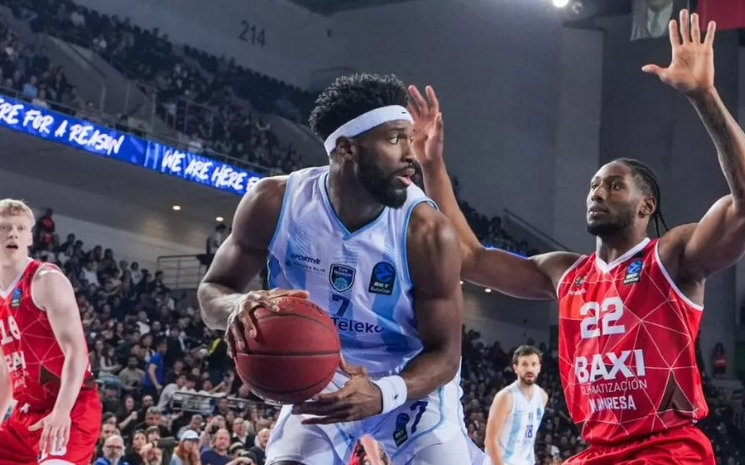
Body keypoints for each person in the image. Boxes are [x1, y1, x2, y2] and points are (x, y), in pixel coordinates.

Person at [415, 10, 743, 465]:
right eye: (593, 186)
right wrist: (431, 166)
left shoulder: (672, 258)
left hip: (666, 449)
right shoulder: (565, 272)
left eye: (614, 185)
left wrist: (704, 96)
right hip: (597, 452)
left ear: (646, 206)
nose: (597, 193)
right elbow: (468, 258)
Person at [198, 73, 471, 465]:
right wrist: (236, 306)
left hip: (407, 379)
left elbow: (446, 353)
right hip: (323, 368)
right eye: (396, 138)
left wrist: (384, 392)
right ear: (347, 148)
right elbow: (212, 292)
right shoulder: (274, 202)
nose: (410, 153)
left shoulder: (427, 231)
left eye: (410, 138)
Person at [0, 199, 102, 464]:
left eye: (20, 228)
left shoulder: (46, 280)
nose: (13, 234)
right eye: (5, 227)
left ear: (30, 238)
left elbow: (76, 352)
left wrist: (62, 411)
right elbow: (5, 371)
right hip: (25, 414)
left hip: (72, 406)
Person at [484, 346, 548, 465]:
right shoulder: (506, 397)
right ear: (515, 368)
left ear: (539, 367)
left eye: (533, 364)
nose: (529, 369)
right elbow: (490, 441)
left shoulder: (542, 396)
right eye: (524, 364)